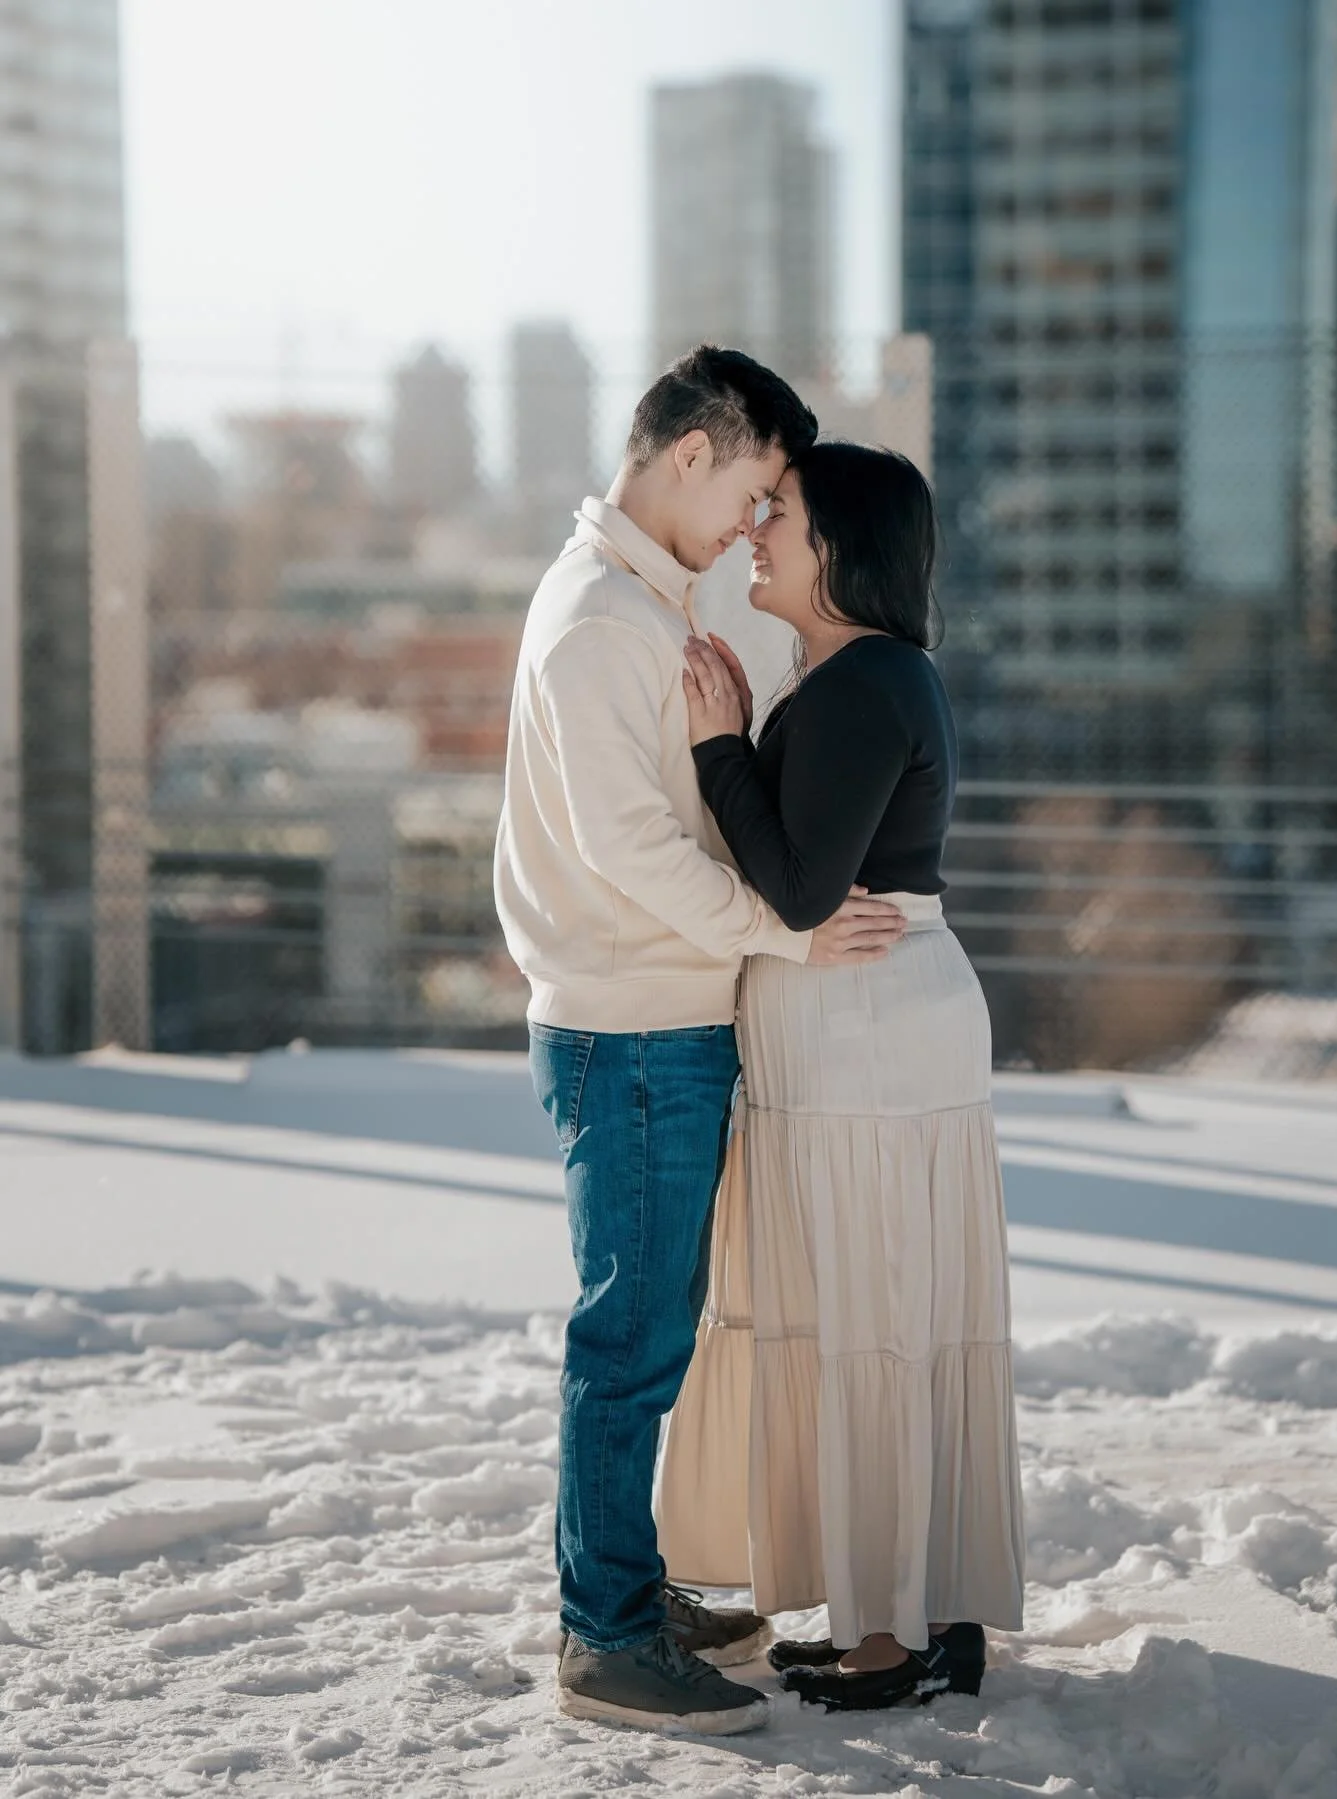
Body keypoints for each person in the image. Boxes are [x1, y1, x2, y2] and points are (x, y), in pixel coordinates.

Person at [493, 349, 909, 1735]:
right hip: (633, 1029)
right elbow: (629, 849)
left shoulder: (632, 600)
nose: (751, 521)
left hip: (656, 1019)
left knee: (652, 1326)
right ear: (690, 453)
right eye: (752, 486)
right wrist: (786, 932)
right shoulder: (601, 620)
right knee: (630, 1338)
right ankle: (605, 1636)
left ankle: (619, 1581)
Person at [655, 442, 1026, 1713]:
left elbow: (804, 890)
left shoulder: (866, 678)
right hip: (865, 1024)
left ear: (843, 547)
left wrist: (717, 746)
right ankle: (922, 1610)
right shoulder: (861, 673)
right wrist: (748, 736)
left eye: (786, 514)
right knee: (895, 1316)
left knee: (876, 1319)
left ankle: (895, 1638)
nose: (760, 528)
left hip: (867, 1030)